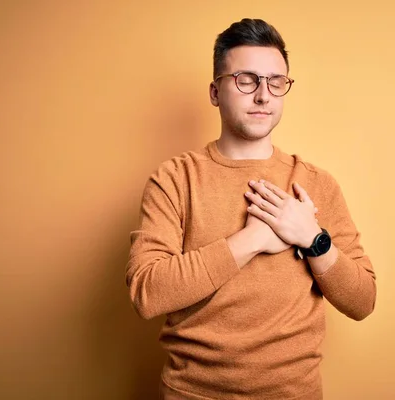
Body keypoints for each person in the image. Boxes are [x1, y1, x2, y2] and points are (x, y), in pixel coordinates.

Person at [125, 18, 377, 400]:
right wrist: (250, 241)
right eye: (246, 79)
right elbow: (147, 292)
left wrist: (313, 239)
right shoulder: (174, 179)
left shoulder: (316, 183)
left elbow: (363, 302)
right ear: (215, 91)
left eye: (276, 82)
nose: (263, 95)